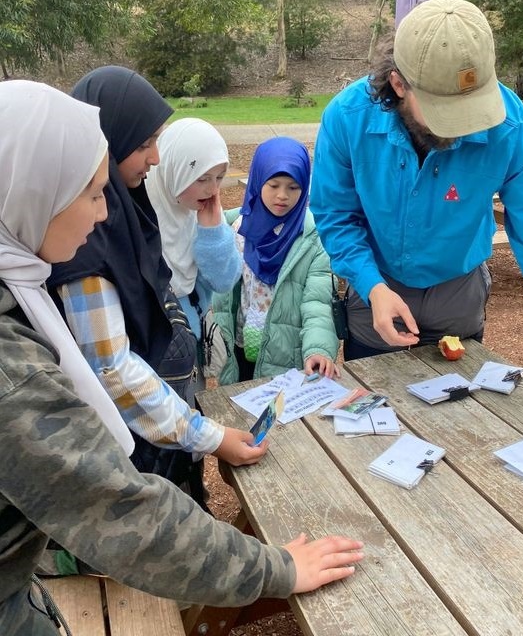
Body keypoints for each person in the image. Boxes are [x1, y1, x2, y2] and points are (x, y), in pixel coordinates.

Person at [0, 79, 364, 635]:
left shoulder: (22, 288)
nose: (105, 215)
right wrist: (275, 569)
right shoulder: (14, 373)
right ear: (31, 193)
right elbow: (122, 513)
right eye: (94, 194)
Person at [47, 66, 266, 510]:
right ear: (109, 139)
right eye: (145, 144)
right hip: (131, 445)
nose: (155, 159)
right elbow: (111, 368)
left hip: (159, 422)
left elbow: (214, 279)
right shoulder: (85, 237)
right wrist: (207, 435)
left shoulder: (126, 208)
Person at [309, 0, 523, 359]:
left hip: (459, 291)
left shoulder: (512, 127)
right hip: (376, 288)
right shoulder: (347, 117)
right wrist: (371, 285)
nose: (463, 127)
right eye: (446, 111)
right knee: (373, 409)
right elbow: (336, 214)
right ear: (399, 84)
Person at [213, 136, 339, 384]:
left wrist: (318, 349)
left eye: (293, 188)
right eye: (273, 185)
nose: (282, 196)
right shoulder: (233, 229)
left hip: (285, 359)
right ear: (258, 180)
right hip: (237, 350)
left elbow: (317, 304)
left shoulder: (312, 239)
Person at [145, 118, 242, 405]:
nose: (213, 190)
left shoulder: (199, 215)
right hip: (153, 362)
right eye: (202, 179)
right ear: (174, 169)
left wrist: (212, 233)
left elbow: (224, 281)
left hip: (191, 350)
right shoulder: (142, 216)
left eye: (220, 177)